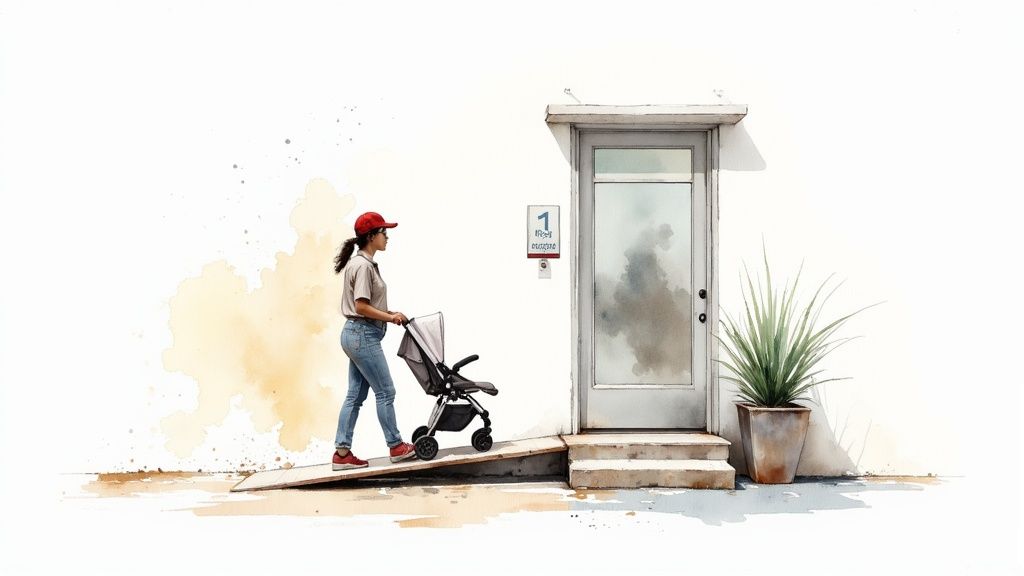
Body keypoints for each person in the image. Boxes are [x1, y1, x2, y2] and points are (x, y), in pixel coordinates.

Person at [330, 211, 416, 470]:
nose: (387, 237)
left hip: (355, 333)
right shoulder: (364, 266)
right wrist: (390, 319)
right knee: (386, 392)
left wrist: (390, 313)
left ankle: (342, 455)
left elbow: (367, 305)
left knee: (355, 395)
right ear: (371, 236)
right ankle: (396, 446)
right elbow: (361, 306)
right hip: (362, 334)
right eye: (383, 233)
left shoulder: (361, 264)